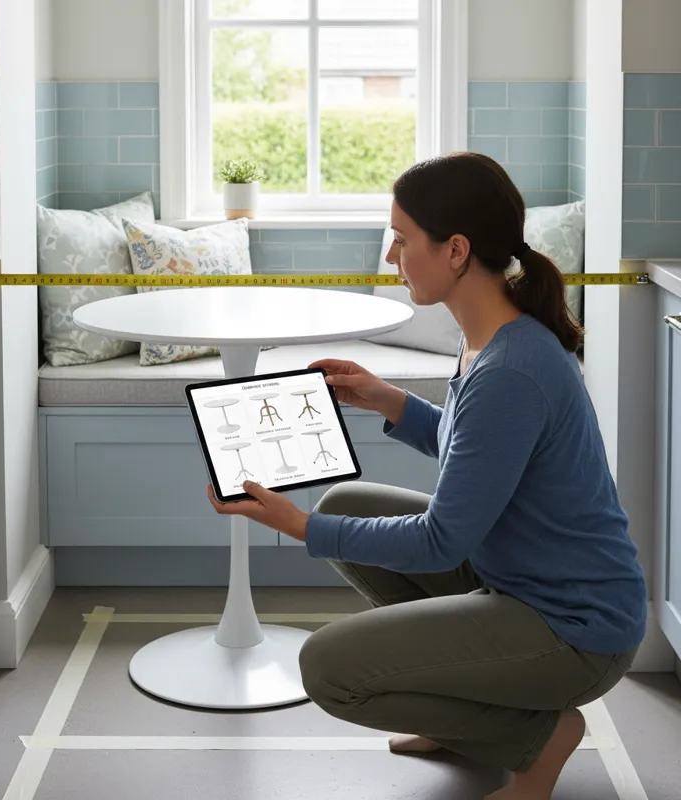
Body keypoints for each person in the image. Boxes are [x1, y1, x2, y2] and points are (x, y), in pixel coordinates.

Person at [206, 152, 647, 800]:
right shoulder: (491, 339)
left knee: (328, 669)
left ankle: (537, 739)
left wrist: (302, 527)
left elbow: (441, 540)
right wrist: (390, 401)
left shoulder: (510, 372)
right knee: (349, 502)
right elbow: (473, 447)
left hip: (576, 628)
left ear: (457, 251)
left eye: (403, 239)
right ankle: (466, 708)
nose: (391, 256)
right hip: (520, 579)